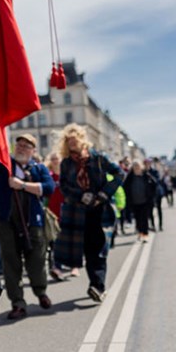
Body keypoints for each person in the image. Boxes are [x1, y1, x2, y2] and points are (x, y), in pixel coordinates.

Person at [0, 134, 55, 319]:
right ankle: (18, 302)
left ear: (33, 150)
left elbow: (49, 188)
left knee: (37, 260)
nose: (22, 148)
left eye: (26, 146)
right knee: (10, 263)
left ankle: (41, 292)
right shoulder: (6, 165)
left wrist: (22, 185)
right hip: (8, 221)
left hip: (33, 221)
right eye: (19, 145)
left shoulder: (38, 168)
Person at [53, 124, 122, 303]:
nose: (72, 143)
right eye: (68, 141)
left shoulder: (98, 158)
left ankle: (97, 286)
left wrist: (103, 194)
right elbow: (64, 186)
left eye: (74, 140)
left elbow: (119, 174)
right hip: (78, 211)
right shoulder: (66, 163)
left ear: (82, 139)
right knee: (86, 249)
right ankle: (95, 285)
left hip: (101, 210)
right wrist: (81, 195)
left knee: (99, 249)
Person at [122, 161, 157, 243]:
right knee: (137, 219)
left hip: (145, 201)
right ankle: (140, 233)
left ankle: (145, 234)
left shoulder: (146, 175)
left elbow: (154, 184)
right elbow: (124, 187)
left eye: (138, 166)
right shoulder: (130, 177)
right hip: (134, 202)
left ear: (141, 167)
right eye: (134, 167)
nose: (136, 168)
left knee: (144, 218)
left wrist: (151, 196)